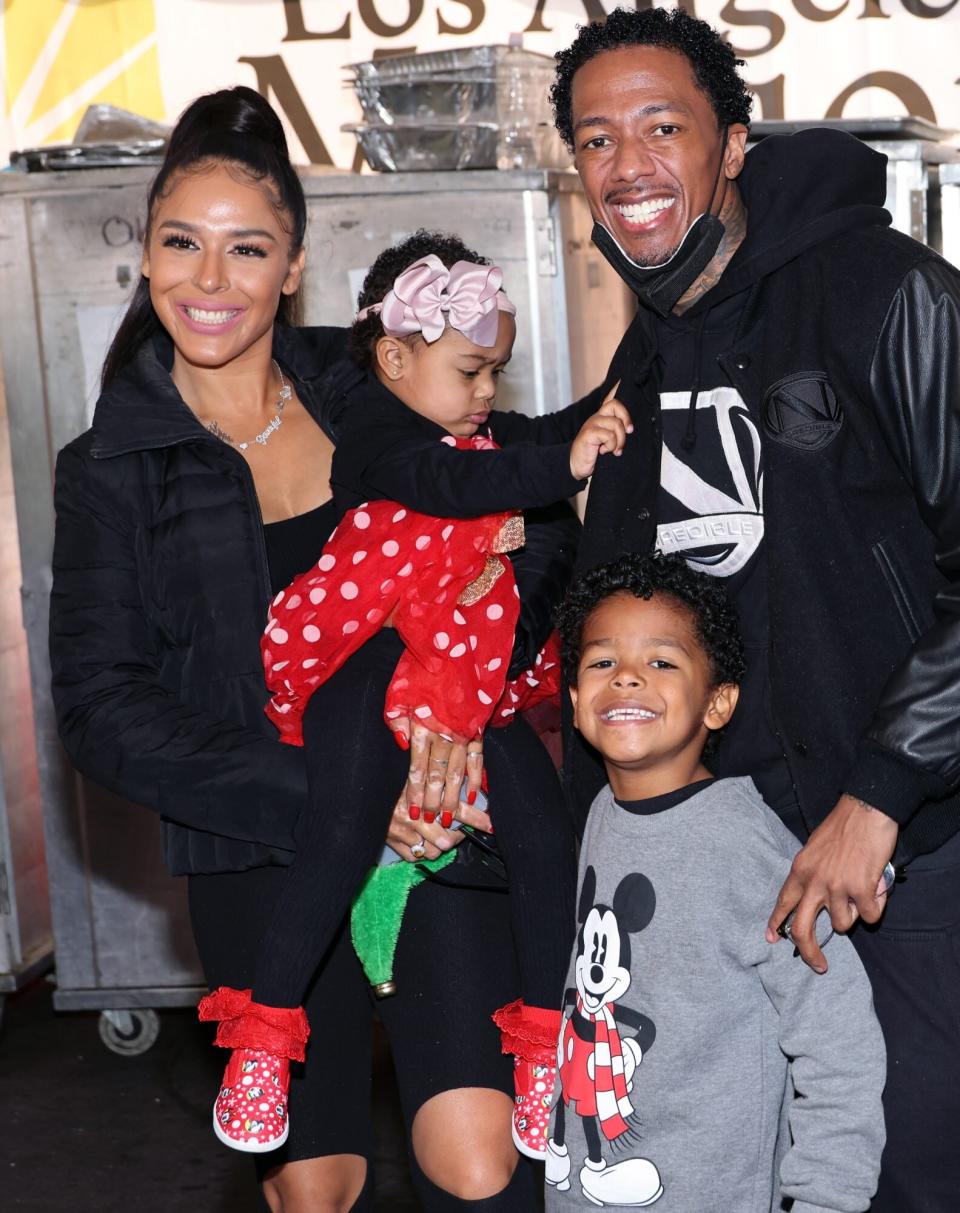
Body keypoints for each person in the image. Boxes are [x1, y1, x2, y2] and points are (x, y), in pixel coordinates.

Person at [48, 86, 578, 1212]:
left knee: (482, 1158)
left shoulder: (371, 381)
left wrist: (462, 697)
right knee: (317, 1185)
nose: (210, 279)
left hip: (442, 813)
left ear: (292, 264)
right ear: (144, 257)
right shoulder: (110, 463)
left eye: (248, 250)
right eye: (181, 244)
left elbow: (530, 516)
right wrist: (328, 789)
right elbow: (101, 708)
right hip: (262, 839)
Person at [550, 7, 960, 1209]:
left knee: (900, 1172)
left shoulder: (887, 293)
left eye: (662, 127)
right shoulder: (650, 345)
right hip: (716, 881)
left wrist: (881, 793)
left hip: (899, 864)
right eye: (595, 138)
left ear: (734, 143)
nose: (628, 164)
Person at [198, 230, 633, 1159]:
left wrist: (631, 382)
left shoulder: (482, 432)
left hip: (469, 688)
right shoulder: (382, 440)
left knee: (545, 840)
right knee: (341, 823)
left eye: (497, 372)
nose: (489, 392)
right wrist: (564, 465)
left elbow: (553, 428)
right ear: (395, 357)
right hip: (362, 668)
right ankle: (267, 1035)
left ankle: (550, 1049)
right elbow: (459, 481)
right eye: (474, 369)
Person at [547, 551, 885, 1211]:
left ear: (719, 702)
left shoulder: (744, 846)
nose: (627, 680)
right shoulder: (600, 814)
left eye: (662, 662)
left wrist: (823, 1197)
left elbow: (836, 1030)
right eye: (602, 662)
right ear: (575, 698)